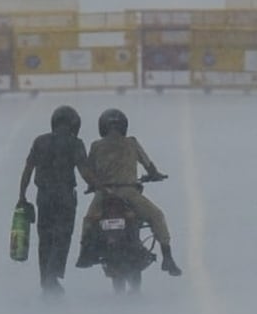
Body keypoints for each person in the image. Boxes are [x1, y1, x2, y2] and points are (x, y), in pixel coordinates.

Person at [76, 108, 183, 276]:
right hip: (129, 193)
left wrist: (94, 185)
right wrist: (154, 175)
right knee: (157, 216)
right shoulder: (132, 143)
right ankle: (167, 258)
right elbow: (149, 165)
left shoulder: (96, 146)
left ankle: (84, 254)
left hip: (104, 194)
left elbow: (90, 170)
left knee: (89, 221)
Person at [18, 105, 95, 296]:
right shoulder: (75, 143)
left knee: (45, 238)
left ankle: (45, 279)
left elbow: (28, 170)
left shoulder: (40, 141)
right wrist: (99, 186)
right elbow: (85, 171)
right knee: (62, 237)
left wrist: (22, 196)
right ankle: (52, 276)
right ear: (74, 124)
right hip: (65, 197)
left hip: (43, 197)